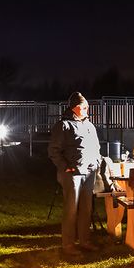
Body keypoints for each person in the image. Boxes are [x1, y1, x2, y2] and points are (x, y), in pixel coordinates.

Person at [48, 91, 101, 257]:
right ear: (76, 108)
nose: (87, 110)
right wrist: (65, 167)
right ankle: (68, 244)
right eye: (85, 107)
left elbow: (96, 147)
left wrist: (97, 162)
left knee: (86, 209)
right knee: (71, 210)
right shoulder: (63, 125)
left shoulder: (89, 126)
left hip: (89, 172)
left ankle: (85, 241)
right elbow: (53, 150)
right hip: (72, 174)